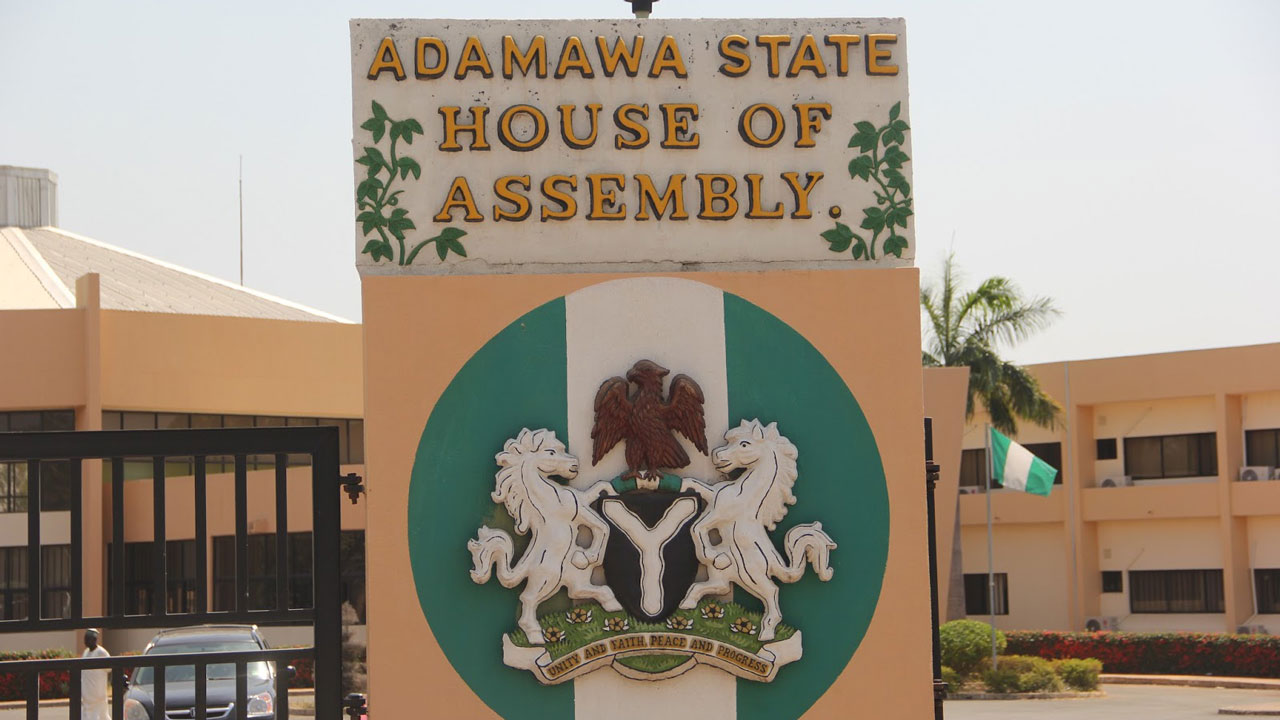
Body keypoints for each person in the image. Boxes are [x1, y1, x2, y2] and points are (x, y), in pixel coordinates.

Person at [81, 629, 110, 720]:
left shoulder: (102, 653)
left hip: (98, 697)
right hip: (87, 696)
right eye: (85, 639)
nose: (85, 641)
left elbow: (109, 668)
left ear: (94, 640)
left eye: (88, 639)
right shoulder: (85, 652)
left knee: (102, 717)